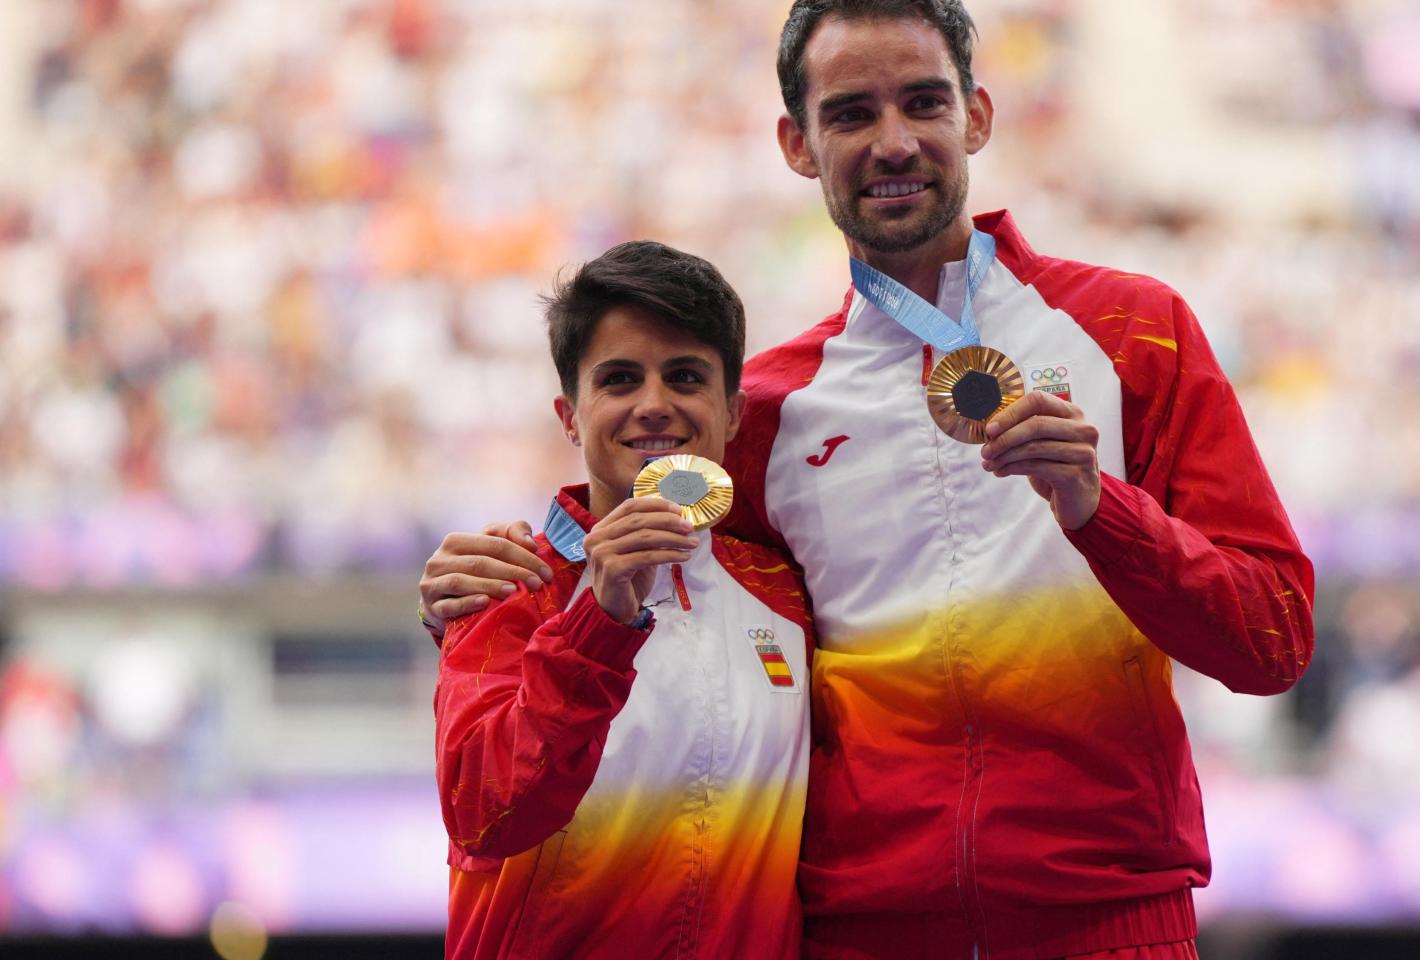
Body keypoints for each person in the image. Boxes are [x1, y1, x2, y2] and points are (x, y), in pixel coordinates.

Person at [420, 2, 1314, 957]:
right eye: (850, 114)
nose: (893, 143)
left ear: (976, 114)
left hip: (1107, 922)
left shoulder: (1135, 333)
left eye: (923, 103)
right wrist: (487, 585)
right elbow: (668, 581)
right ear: (797, 144)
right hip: (867, 932)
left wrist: (1107, 514)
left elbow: (1275, 642)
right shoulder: (765, 411)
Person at [432, 241, 813, 959]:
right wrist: (598, 623)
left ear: (732, 412)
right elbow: (482, 818)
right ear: (570, 416)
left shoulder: (785, 595)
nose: (654, 405)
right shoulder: (507, 590)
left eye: (685, 377)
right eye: (619, 379)